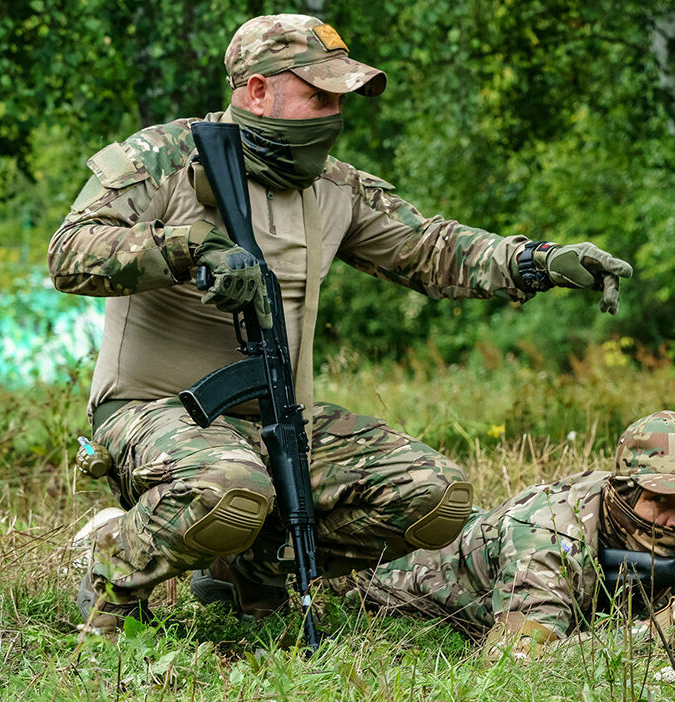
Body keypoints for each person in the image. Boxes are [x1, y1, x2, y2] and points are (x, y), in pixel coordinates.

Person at [50, 14, 633, 635]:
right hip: (153, 411)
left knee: (434, 498)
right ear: (256, 90)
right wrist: (186, 247)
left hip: (277, 412)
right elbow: (70, 253)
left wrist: (538, 262)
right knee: (226, 485)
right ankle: (114, 573)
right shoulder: (164, 158)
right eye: (319, 96)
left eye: (340, 100)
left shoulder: (333, 186)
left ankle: (250, 569)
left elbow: (430, 249)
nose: (334, 115)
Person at [332, 411, 675, 661]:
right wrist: (659, 631)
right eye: (662, 500)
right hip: (378, 572)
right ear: (622, 491)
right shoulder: (547, 531)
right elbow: (515, 663)